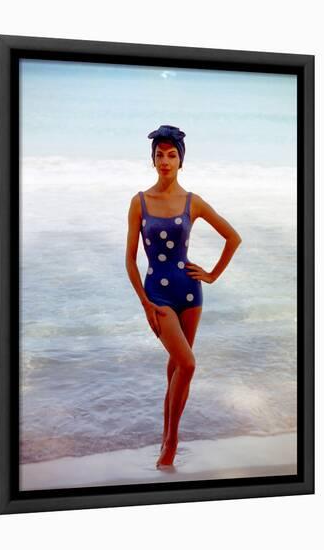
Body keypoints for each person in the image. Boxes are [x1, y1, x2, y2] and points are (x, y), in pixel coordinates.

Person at [125, 125, 242, 469]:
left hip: (190, 293)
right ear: (152, 160)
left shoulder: (193, 202)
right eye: (159, 155)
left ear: (181, 161)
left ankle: (166, 437)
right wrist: (145, 304)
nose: (165, 161)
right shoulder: (139, 202)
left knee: (179, 367)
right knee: (188, 364)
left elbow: (233, 237)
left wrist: (211, 275)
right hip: (157, 294)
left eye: (171, 155)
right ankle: (172, 442)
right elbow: (130, 260)